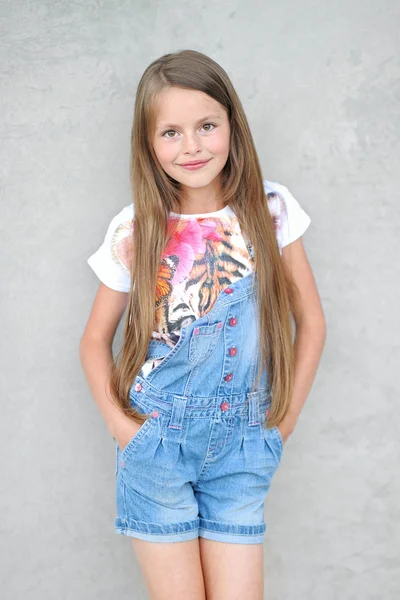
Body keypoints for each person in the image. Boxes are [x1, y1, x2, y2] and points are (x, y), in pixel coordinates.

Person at [79, 49, 326, 600]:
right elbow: (94, 341)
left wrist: (279, 428)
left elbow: (310, 323)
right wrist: (126, 431)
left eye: (206, 126)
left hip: (242, 444)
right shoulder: (137, 229)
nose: (191, 146)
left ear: (233, 127)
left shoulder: (272, 211)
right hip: (157, 443)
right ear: (148, 145)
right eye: (170, 132)